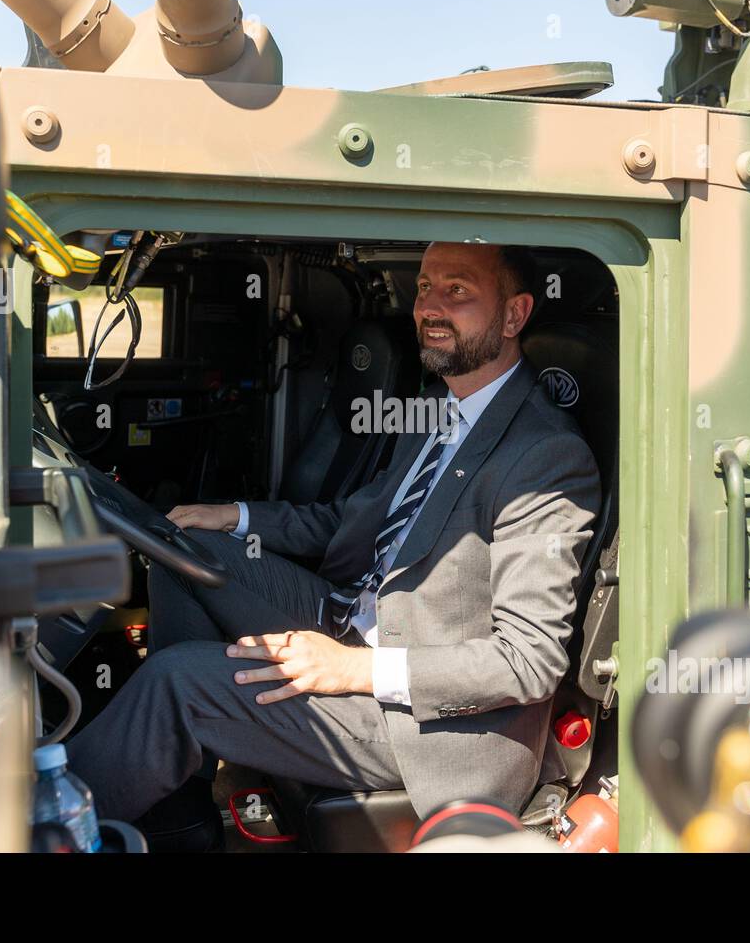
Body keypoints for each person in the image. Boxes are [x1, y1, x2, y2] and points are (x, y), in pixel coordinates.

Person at [66, 241, 601, 824]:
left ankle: (41, 826)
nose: (429, 307)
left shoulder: (545, 455)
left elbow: (529, 659)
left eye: (458, 291)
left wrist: (354, 670)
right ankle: (176, 806)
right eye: (424, 288)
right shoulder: (436, 409)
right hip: (350, 617)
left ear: (515, 314)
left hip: (428, 727)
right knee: (180, 549)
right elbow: (352, 519)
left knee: (179, 680)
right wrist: (236, 516)